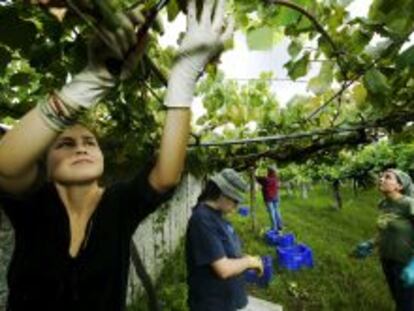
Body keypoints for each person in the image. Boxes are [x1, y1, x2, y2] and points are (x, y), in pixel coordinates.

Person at [0, 0, 233, 310]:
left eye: (89, 142)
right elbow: (6, 165)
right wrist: (90, 82)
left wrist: (183, 78)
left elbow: (165, 177)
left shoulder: (118, 205)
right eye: (65, 144)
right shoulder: (33, 201)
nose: (81, 146)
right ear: (45, 165)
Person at [186, 168, 264, 311]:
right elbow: (223, 269)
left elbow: (223, 252)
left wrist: (242, 259)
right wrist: (249, 262)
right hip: (213, 304)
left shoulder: (216, 216)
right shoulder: (202, 220)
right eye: (235, 201)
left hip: (227, 301)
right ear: (223, 195)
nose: (237, 206)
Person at [354, 169, 414, 310]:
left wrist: (413, 265)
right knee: (398, 298)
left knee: (407, 304)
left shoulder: (409, 204)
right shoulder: (383, 204)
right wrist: (370, 243)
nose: (381, 179)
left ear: (399, 186)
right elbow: (385, 231)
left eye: (388, 177)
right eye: (381, 176)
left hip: (405, 262)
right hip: (386, 259)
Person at [255, 165, 282, 232]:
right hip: (276, 197)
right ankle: (280, 226)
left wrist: (253, 174)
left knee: (272, 212)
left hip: (269, 198)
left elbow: (257, 178)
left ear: (269, 172)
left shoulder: (266, 180)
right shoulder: (276, 178)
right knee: (277, 211)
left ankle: (274, 227)